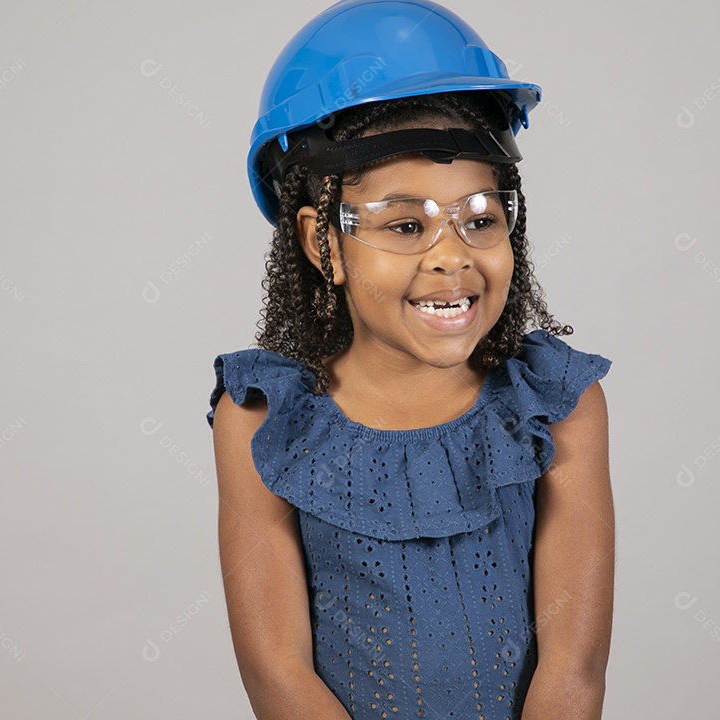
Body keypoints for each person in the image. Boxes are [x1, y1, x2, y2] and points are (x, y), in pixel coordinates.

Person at [206, 1, 614, 718]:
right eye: (404, 225)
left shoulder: (555, 406)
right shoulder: (263, 423)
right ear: (321, 243)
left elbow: (571, 671)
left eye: (481, 218)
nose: (452, 255)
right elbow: (277, 674)